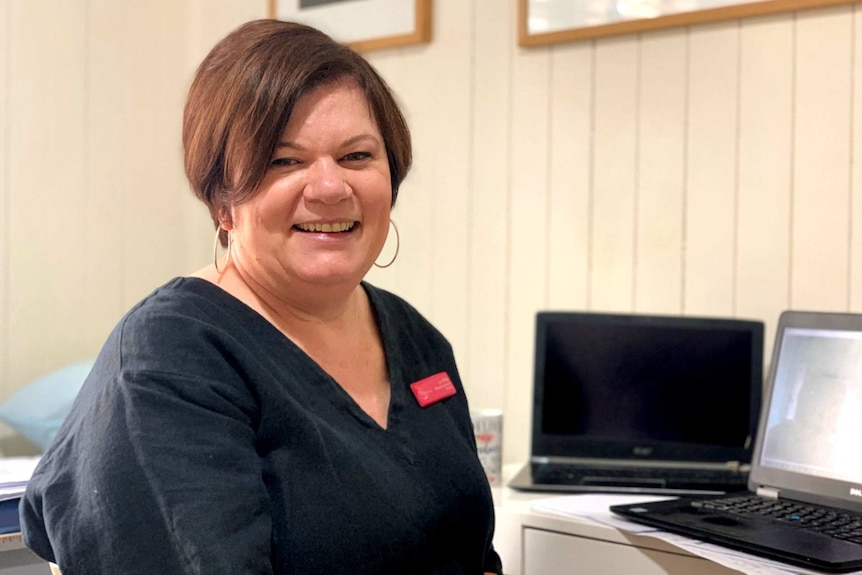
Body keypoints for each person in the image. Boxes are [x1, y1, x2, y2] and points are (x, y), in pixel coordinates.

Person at [19, 19, 503, 575]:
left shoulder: (416, 339)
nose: (329, 187)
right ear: (222, 200)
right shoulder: (170, 359)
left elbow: (473, 552)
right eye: (284, 161)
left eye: (357, 157)